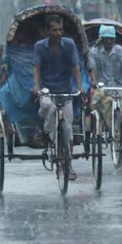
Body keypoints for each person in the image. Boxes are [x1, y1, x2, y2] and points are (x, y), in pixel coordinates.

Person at [33, 14, 84, 180]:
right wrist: (36, 86)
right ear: (47, 31)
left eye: (60, 29)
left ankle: (68, 165)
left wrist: (80, 86)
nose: (58, 33)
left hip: (65, 90)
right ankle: (45, 131)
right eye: (54, 30)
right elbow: (37, 68)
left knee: (68, 129)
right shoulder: (40, 46)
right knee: (47, 106)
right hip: (47, 89)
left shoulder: (69, 45)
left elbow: (76, 66)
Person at [88, 25, 122, 128]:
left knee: (121, 110)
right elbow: (92, 68)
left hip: (118, 86)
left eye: (111, 39)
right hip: (102, 86)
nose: (109, 41)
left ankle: (119, 131)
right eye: (106, 39)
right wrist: (94, 81)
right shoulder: (94, 52)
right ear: (102, 39)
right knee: (95, 105)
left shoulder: (119, 50)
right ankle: (97, 126)